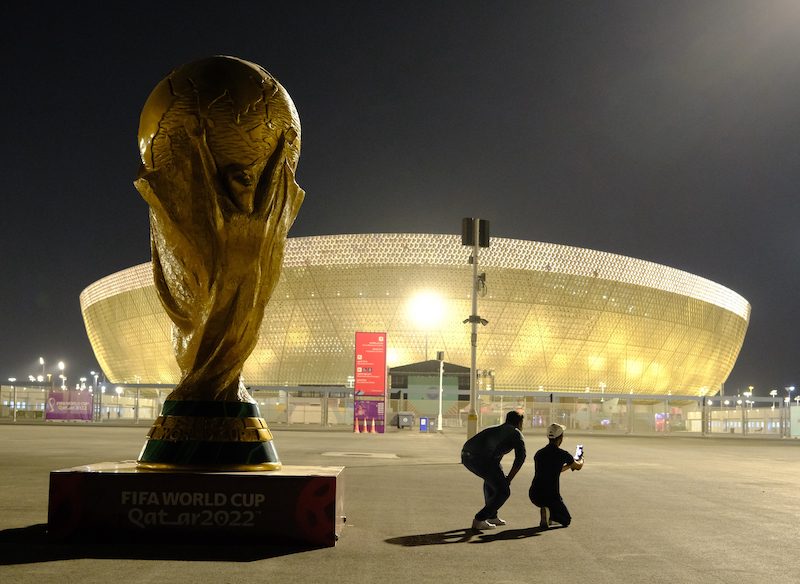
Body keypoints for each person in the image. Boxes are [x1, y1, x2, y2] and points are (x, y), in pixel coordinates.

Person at [461, 410, 526, 530]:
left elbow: (495, 452)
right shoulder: (516, 434)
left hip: (466, 455)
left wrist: (503, 477)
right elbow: (520, 459)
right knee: (503, 491)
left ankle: (492, 516)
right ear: (520, 422)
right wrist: (508, 479)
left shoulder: (498, 429)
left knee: (492, 479)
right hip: (479, 459)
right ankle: (479, 519)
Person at [529, 423, 583, 529]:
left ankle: (547, 511)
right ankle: (550, 515)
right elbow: (578, 466)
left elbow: (553, 470)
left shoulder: (539, 454)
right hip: (551, 496)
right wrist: (580, 459)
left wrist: (568, 466)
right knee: (566, 520)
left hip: (534, 494)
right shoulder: (562, 454)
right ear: (561, 438)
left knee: (548, 503)